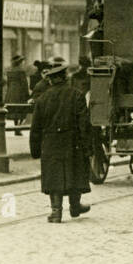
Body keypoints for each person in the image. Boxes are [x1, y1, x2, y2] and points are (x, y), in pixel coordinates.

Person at [29, 57, 92, 223]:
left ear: (50, 79)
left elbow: (35, 127)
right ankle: (75, 206)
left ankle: (56, 212)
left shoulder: (42, 99)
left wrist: (35, 150)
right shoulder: (77, 95)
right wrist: (87, 146)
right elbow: (83, 123)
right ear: (65, 77)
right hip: (73, 141)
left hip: (50, 143)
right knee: (74, 172)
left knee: (54, 175)